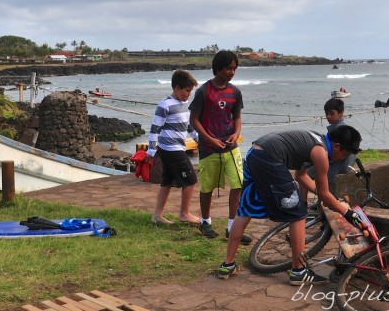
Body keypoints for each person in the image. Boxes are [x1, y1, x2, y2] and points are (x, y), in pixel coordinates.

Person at [218, 125, 365, 285]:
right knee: (298, 213)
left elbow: (301, 176)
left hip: (254, 153)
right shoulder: (321, 153)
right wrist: (347, 212)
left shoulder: (315, 140)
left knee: (246, 209)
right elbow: (324, 194)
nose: (343, 158)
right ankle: (298, 271)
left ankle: (228, 264)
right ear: (337, 145)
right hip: (269, 158)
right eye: (345, 154)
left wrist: (329, 197)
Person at [189, 50, 251, 245]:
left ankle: (232, 226)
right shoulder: (203, 92)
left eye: (234, 68)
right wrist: (209, 139)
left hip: (231, 148)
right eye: (228, 68)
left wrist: (236, 133)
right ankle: (205, 222)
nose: (231, 72)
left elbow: (237, 117)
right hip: (209, 148)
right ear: (218, 68)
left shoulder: (235, 92)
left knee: (238, 185)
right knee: (207, 187)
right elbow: (194, 120)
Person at [145, 69, 201, 225]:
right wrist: (151, 150)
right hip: (170, 150)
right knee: (190, 180)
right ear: (177, 88)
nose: (188, 94)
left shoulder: (184, 104)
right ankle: (184, 214)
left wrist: (199, 140)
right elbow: (155, 128)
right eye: (187, 91)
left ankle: (157, 216)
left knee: (167, 181)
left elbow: (189, 126)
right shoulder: (165, 105)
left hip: (176, 148)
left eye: (190, 91)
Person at [307, 98, 356, 193]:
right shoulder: (338, 128)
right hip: (343, 161)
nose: (328, 116)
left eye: (332, 113)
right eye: (327, 114)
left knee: (309, 172)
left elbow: (336, 154)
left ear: (341, 113)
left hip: (341, 164)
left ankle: (321, 198)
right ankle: (322, 198)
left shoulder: (340, 130)